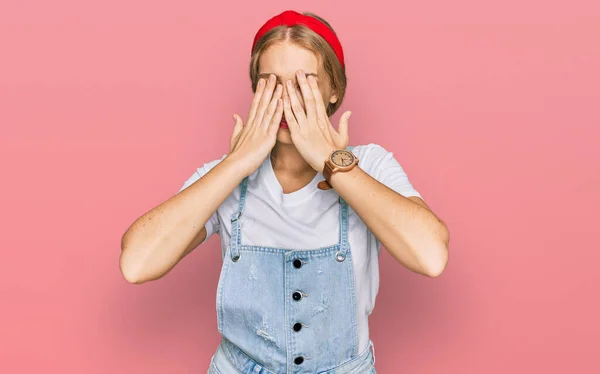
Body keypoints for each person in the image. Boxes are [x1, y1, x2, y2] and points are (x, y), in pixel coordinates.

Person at [120, 9, 449, 374]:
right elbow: (136, 263)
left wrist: (332, 161)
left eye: (303, 82)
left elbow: (431, 255)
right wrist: (236, 164)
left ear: (333, 90)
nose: (286, 99)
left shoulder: (370, 165)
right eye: (270, 83)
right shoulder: (227, 177)